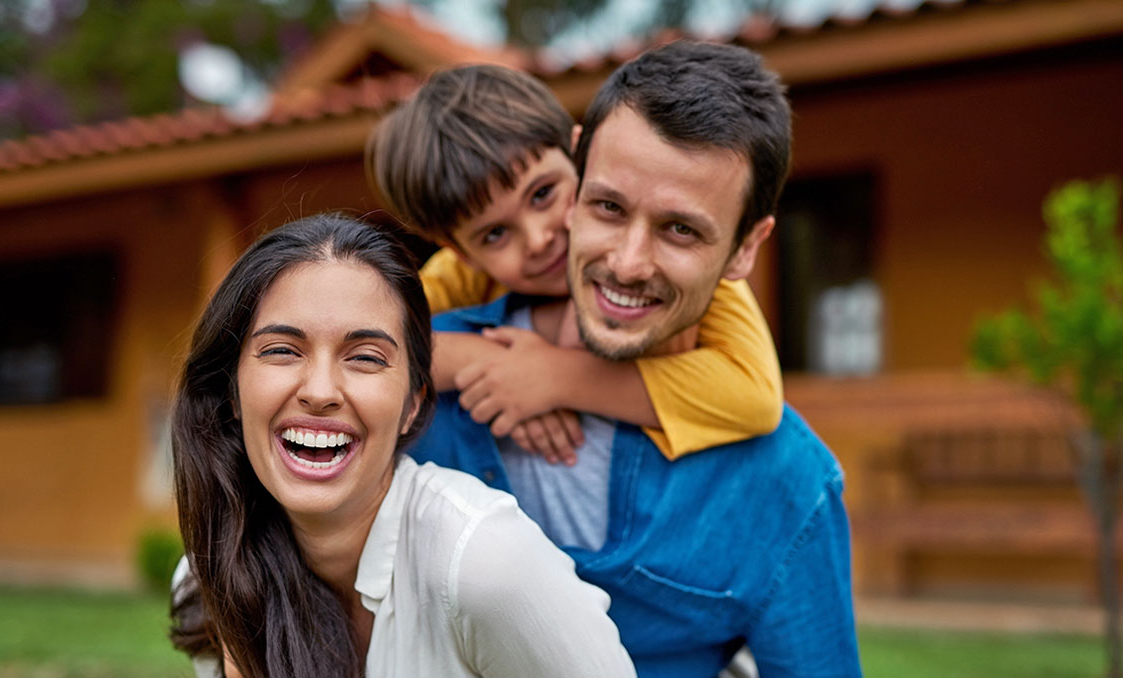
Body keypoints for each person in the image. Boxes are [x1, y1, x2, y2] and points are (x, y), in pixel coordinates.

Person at [407, 41, 862, 678]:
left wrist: (553, 377)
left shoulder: (785, 483)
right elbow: (349, 345)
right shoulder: (420, 392)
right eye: (608, 207)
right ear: (581, 165)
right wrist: (472, 363)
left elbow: (757, 402)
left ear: (743, 251)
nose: (627, 261)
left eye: (682, 229)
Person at [168, 213, 636, 678]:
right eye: (282, 350)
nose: (320, 390)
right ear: (231, 389)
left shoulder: (483, 563)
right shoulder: (206, 577)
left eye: (366, 358)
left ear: (413, 404)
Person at [366, 63, 783, 465]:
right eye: (495, 234)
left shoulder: (687, 269)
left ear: (580, 155)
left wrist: (558, 379)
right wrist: (487, 364)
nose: (538, 238)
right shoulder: (458, 277)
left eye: (543, 193)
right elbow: (361, 341)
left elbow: (755, 396)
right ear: (463, 254)